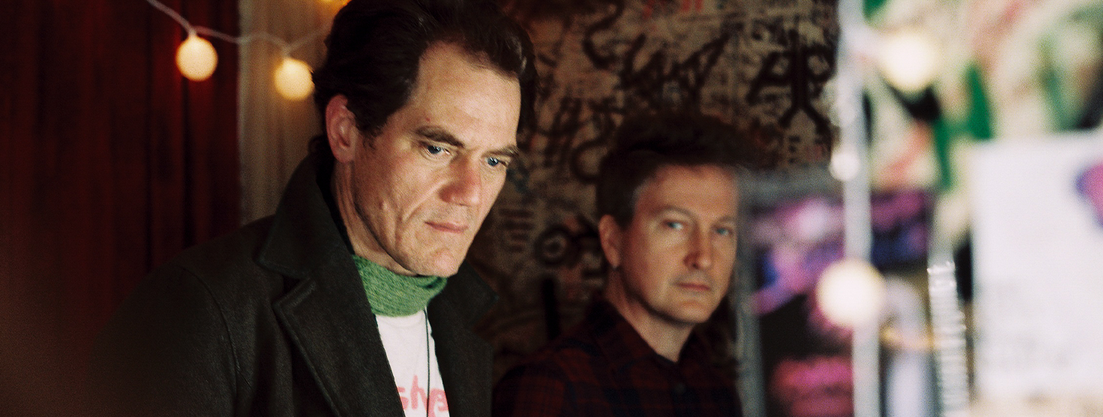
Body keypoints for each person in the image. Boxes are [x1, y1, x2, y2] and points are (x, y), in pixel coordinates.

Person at [86, 0, 536, 415]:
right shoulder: (201, 310)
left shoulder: (457, 313)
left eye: (493, 161)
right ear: (345, 132)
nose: (470, 193)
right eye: (437, 149)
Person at [492, 111, 756, 416]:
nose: (704, 258)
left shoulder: (719, 394)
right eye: (675, 225)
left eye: (723, 231)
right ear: (613, 241)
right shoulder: (551, 385)